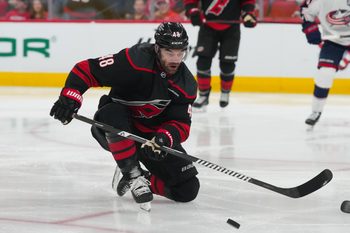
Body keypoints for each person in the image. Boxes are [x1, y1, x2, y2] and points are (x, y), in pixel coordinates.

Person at [49, 22, 200, 210]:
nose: (176, 59)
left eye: (180, 53)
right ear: (157, 48)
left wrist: (163, 138)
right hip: (113, 128)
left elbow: (181, 123)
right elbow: (86, 69)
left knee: (188, 189)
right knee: (113, 113)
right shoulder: (135, 61)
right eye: (170, 52)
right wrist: (71, 97)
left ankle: (139, 178)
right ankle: (132, 174)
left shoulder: (186, 84)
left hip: (149, 139)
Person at [184, 0, 257, 109]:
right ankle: (203, 95)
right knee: (203, 62)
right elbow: (191, 2)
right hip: (208, 25)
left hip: (231, 27)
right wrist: (192, 10)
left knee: (227, 64)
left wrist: (247, 13)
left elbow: (247, 2)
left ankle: (225, 92)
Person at [300, 0, 350, 126]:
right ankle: (316, 111)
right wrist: (310, 30)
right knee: (325, 75)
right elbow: (306, 12)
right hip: (333, 42)